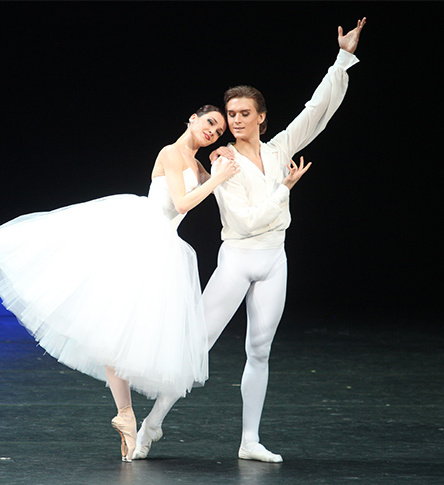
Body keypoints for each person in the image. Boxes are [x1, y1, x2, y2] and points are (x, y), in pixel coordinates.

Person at [0, 105, 240, 462]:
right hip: (138, 232)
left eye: (220, 130)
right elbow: (181, 203)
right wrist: (217, 178)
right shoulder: (172, 153)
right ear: (192, 119)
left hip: (161, 246)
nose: (214, 131)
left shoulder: (196, 165)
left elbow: (215, 194)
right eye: (211, 122)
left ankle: (126, 414)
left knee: (115, 332)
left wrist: (229, 169)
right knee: (50, 236)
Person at [133, 18, 366, 463]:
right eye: (231, 115)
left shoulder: (279, 148)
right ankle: (152, 422)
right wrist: (284, 189)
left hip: (274, 259)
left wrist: (342, 58)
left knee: (259, 350)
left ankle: (249, 440)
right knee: (198, 346)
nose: (236, 121)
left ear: (261, 117)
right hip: (238, 258)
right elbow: (247, 219)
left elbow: (316, 111)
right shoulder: (224, 164)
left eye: (244, 114)